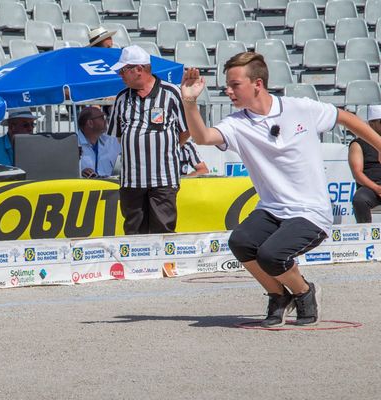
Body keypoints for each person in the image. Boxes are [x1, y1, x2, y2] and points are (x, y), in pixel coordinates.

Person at [180, 52, 381, 328]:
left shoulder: (300, 108)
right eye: (227, 85)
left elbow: (346, 118)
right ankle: (278, 295)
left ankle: (304, 292)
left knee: (271, 255)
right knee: (240, 242)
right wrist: (189, 101)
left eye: (234, 84)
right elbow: (202, 137)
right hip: (272, 211)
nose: (228, 90)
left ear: (257, 84)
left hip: (311, 213)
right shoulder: (236, 124)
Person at [107, 45, 188, 234]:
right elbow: (119, 136)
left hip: (163, 178)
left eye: (123, 70)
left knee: (163, 231)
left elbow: (185, 131)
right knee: (133, 232)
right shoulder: (121, 98)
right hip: (132, 181)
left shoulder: (170, 93)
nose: (120, 75)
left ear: (139, 70)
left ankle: (165, 265)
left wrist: (166, 148)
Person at [349, 105, 381, 223]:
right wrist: (377, 188)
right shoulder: (358, 144)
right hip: (371, 187)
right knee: (360, 200)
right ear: (371, 124)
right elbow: (357, 173)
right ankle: (365, 233)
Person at [77, 106, 121, 178]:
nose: (106, 120)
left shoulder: (111, 141)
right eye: (102, 117)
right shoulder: (73, 144)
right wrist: (79, 172)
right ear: (90, 123)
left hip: (109, 187)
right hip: (84, 187)